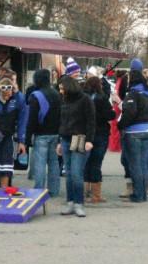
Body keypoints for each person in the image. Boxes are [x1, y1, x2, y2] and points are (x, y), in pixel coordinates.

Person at [117, 60, 148, 202]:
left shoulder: (133, 93)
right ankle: (144, 194)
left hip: (133, 132)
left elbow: (129, 113)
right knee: (144, 164)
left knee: (135, 165)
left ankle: (138, 195)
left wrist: (120, 125)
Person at [57, 75, 95, 217]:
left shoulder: (85, 100)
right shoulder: (64, 100)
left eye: (62, 88)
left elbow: (91, 121)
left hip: (80, 138)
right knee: (69, 173)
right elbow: (61, 121)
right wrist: (60, 141)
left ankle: (78, 203)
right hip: (66, 138)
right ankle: (70, 202)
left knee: (76, 172)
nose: (60, 91)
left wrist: (89, 140)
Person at [25, 68, 62, 198]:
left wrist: (27, 137)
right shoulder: (57, 94)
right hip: (56, 134)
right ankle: (54, 190)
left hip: (41, 134)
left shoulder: (36, 96)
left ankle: (39, 190)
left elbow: (32, 119)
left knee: (40, 164)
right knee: (54, 163)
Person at [83, 75, 113, 204]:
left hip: (85, 134)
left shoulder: (83, 98)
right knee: (96, 163)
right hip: (100, 133)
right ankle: (96, 195)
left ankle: (85, 192)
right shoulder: (102, 99)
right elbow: (109, 115)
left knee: (85, 163)